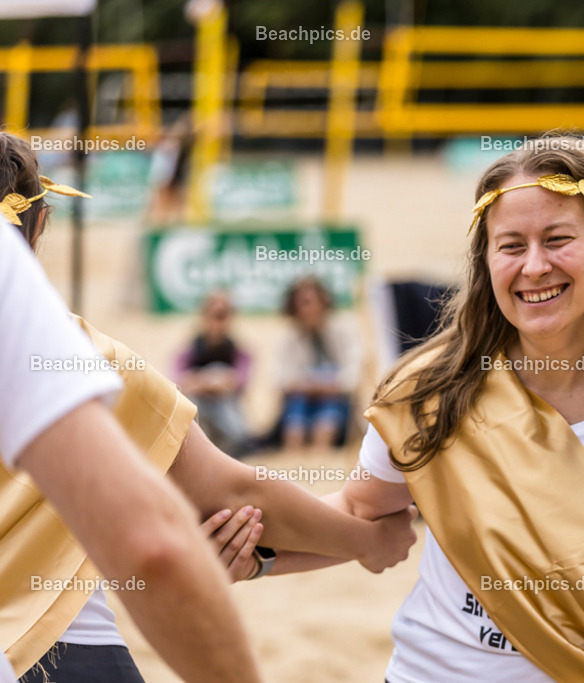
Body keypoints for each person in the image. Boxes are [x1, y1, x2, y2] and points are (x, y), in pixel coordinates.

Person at [257, 135, 584, 681]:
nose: (534, 266)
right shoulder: (433, 390)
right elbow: (359, 517)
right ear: (486, 260)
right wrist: (252, 552)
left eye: (558, 239)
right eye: (511, 245)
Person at [0, 131, 417, 682]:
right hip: (40, 643)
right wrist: (368, 539)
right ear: (39, 224)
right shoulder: (74, 354)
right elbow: (224, 500)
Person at [0, 213, 264, 682]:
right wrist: (362, 537)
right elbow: (162, 540)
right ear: (38, 225)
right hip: (51, 638)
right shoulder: (87, 351)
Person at [278, 276, 362, 450]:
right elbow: (279, 379)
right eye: (300, 304)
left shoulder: (345, 329)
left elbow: (353, 376)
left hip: (337, 403)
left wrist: (323, 385)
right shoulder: (288, 336)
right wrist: (312, 386)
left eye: (308, 302)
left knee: (329, 406)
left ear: (324, 302)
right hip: (301, 404)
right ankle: (295, 458)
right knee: (296, 408)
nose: (305, 310)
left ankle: (320, 458)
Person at [175, 290, 253, 456]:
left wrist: (201, 381)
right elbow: (177, 382)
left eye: (223, 316)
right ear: (204, 317)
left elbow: (240, 381)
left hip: (227, 416)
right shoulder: (189, 351)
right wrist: (214, 381)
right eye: (215, 315)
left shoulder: (239, 352)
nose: (218, 323)